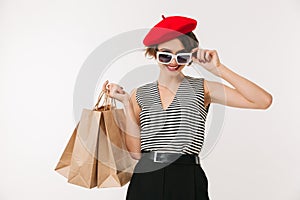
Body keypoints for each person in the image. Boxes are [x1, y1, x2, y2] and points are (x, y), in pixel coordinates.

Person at [102, 15, 272, 200]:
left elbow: (262, 101)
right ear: (153, 53)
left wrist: (218, 69)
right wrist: (126, 103)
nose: (173, 62)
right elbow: (135, 153)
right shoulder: (139, 94)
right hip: (146, 178)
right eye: (165, 54)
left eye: (181, 56)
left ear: (191, 57)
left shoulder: (203, 88)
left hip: (187, 176)